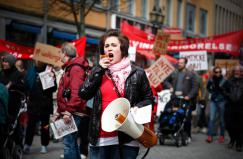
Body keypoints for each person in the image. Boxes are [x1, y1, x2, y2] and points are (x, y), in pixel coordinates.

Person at [78, 29, 154, 159]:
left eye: (114, 45)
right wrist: (98, 69)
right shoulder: (98, 72)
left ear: (122, 49)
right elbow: (83, 93)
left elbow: (149, 98)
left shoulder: (138, 73)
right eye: (106, 46)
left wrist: (137, 108)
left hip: (127, 136)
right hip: (101, 136)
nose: (109, 49)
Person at [55, 42, 89, 159]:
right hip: (72, 111)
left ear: (65, 53)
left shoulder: (75, 68)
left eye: (60, 52)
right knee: (72, 143)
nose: (59, 56)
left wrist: (68, 111)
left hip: (74, 112)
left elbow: (76, 92)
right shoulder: (72, 67)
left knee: (69, 144)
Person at [23, 60, 57, 154]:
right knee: (30, 126)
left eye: (39, 59)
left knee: (45, 126)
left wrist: (52, 79)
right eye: (36, 59)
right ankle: (27, 145)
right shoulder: (31, 72)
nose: (37, 61)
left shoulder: (49, 71)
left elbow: (54, 88)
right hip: (33, 104)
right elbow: (26, 86)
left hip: (45, 105)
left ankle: (44, 145)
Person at [164, 57, 199, 143]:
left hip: (186, 100)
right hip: (175, 99)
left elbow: (195, 88)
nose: (179, 64)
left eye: (181, 63)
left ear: (185, 64)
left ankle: (188, 135)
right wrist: (170, 87)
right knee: (170, 114)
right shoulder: (174, 72)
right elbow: (165, 81)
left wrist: (189, 96)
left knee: (186, 118)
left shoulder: (191, 74)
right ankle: (170, 131)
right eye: (178, 62)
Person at [206, 66, 229, 143]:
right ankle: (210, 135)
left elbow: (228, 90)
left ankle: (222, 135)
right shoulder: (211, 79)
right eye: (216, 72)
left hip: (222, 101)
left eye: (219, 72)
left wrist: (224, 93)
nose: (218, 73)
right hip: (213, 101)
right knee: (211, 118)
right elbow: (208, 87)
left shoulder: (224, 80)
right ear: (214, 72)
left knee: (222, 119)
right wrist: (211, 91)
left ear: (221, 72)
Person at [225, 65, 243, 151]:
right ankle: (232, 139)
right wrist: (228, 95)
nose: (236, 72)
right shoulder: (229, 80)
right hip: (230, 105)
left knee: (240, 125)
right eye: (235, 70)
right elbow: (222, 89)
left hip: (240, 106)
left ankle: (239, 143)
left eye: (238, 71)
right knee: (229, 125)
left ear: (241, 72)